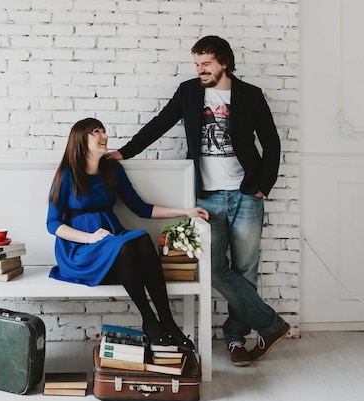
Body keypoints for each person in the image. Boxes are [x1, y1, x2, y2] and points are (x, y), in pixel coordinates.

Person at [108, 35, 290, 366]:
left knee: (246, 269)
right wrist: (124, 151)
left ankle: (235, 339)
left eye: (206, 64)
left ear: (224, 63)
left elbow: (272, 143)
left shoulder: (250, 96)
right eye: (197, 64)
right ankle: (272, 326)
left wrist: (263, 185)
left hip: (246, 194)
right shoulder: (190, 92)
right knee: (215, 269)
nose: (200, 70)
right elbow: (159, 124)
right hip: (206, 197)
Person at [46, 117, 209, 351]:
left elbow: (141, 208)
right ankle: (149, 319)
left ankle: (166, 321)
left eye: (104, 130)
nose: (104, 136)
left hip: (112, 240)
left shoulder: (112, 170)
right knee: (125, 245)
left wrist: (185, 211)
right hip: (80, 249)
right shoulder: (67, 174)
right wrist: (89, 238)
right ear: (81, 140)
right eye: (96, 132)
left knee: (140, 238)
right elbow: (52, 224)